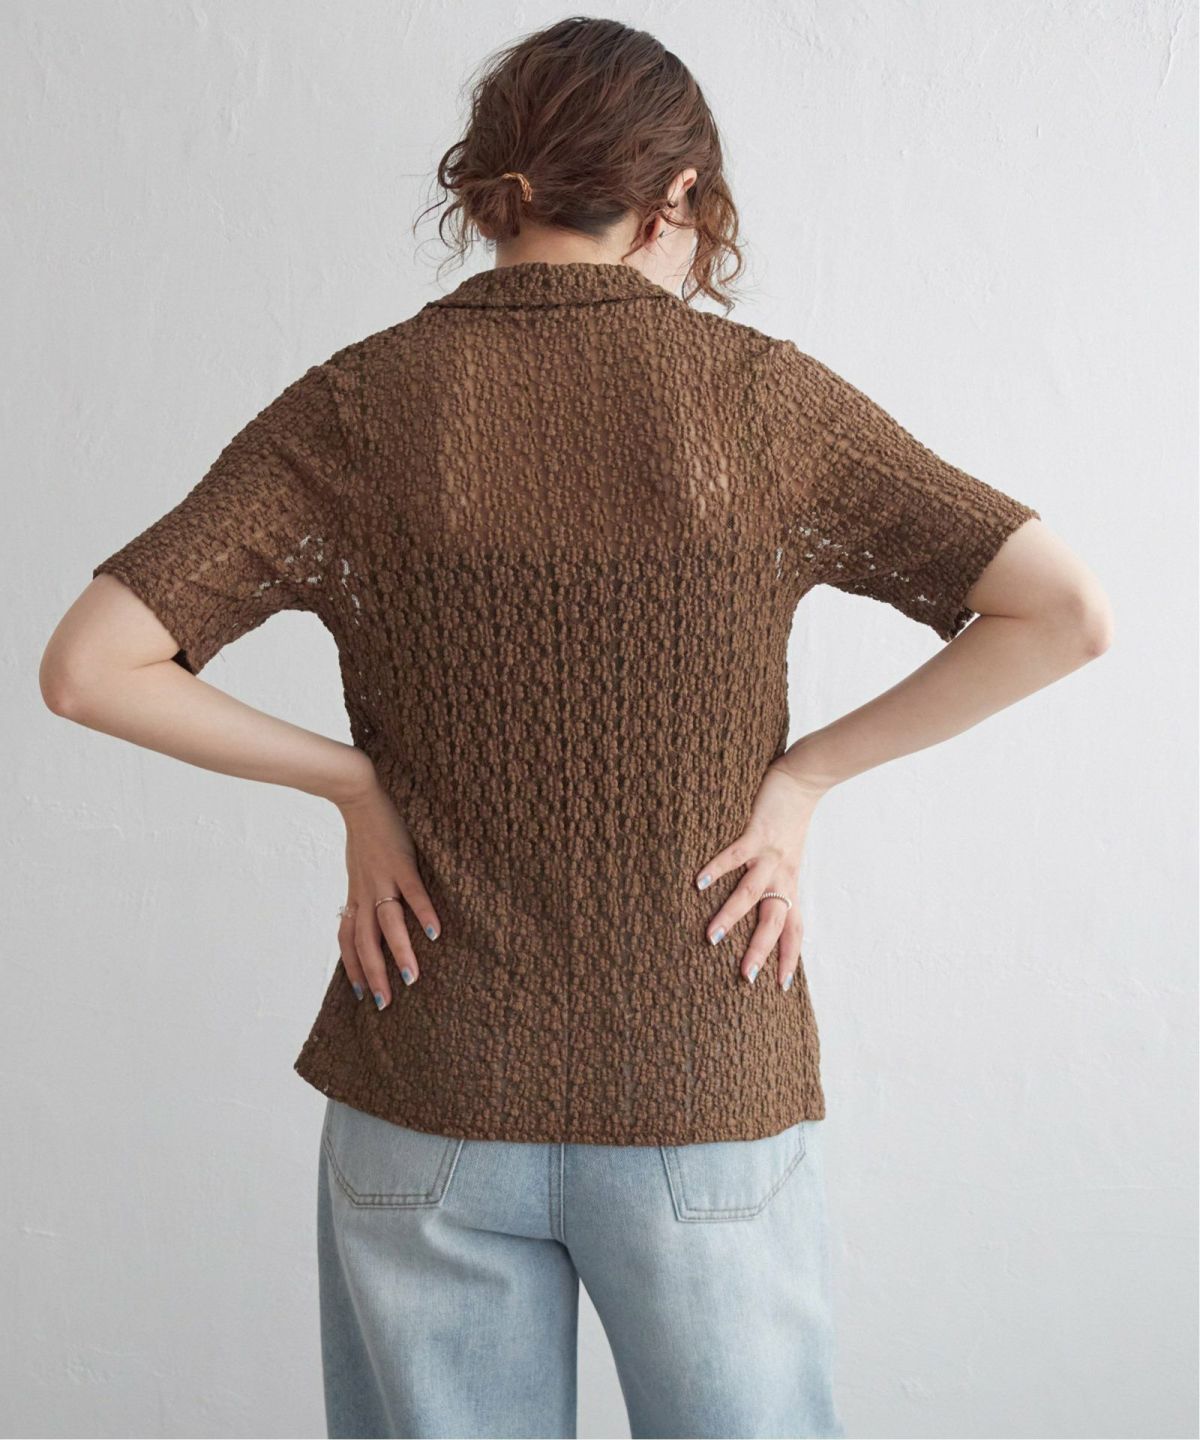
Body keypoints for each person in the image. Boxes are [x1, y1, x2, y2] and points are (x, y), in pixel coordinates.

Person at [39, 16, 1112, 1440]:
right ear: (678, 196)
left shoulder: (361, 404)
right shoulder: (756, 398)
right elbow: (1062, 612)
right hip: (699, 1072)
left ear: (496, 188)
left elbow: (92, 666)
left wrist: (352, 786)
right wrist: (804, 782)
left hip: (428, 1075)